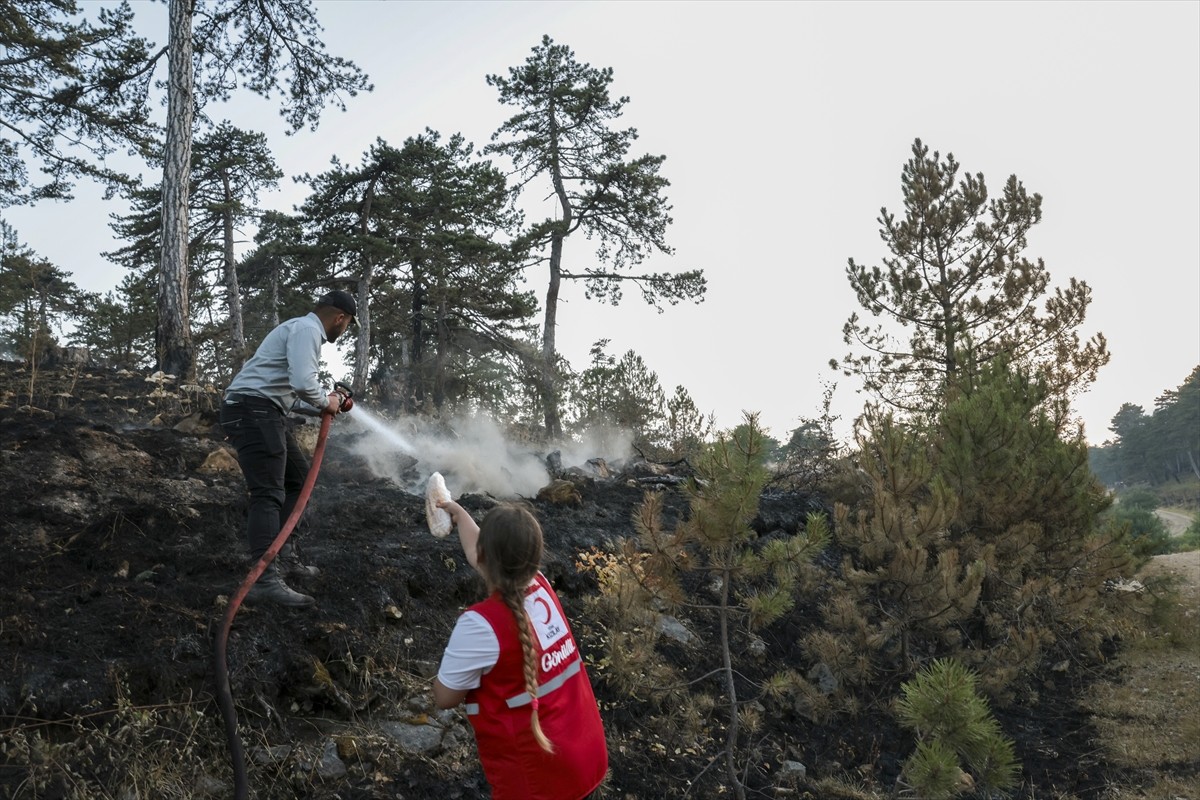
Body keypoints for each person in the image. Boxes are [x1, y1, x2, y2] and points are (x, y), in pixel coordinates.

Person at [433, 501, 608, 800]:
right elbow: (491, 557)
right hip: (585, 757)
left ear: (484, 555)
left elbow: (444, 697)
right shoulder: (540, 586)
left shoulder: (480, 624)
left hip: (539, 780)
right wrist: (461, 515)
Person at [218, 289, 357, 608]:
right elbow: (304, 384)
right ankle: (264, 580)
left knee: (298, 481)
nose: (345, 329)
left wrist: (322, 406)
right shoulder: (308, 331)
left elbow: (290, 391)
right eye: (347, 324)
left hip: (262, 409)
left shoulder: (299, 329)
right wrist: (327, 401)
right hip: (252, 411)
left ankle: (285, 555)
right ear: (340, 318)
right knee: (268, 492)